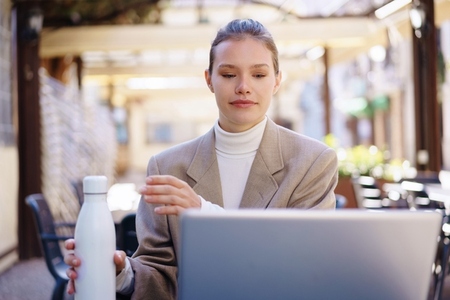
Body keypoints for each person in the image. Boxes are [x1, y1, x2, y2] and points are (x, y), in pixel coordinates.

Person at [64, 18, 338, 300]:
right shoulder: (167, 168)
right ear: (209, 80)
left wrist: (203, 211)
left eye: (258, 75)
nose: (243, 87)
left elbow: (304, 264)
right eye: (229, 74)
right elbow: (160, 273)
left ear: (277, 81)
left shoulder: (312, 162)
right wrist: (121, 274)